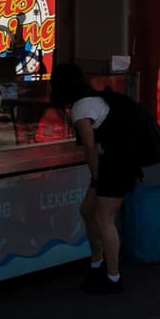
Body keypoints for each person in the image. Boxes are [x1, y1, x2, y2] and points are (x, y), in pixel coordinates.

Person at [50, 61, 140, 296]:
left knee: (103, 219)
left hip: (113, 165)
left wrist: (96, 176)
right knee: (88, 211)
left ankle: (112, 276)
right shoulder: (96, 99)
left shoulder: (81, 108)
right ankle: (97, 264)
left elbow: (89, 146)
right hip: (119, 162)